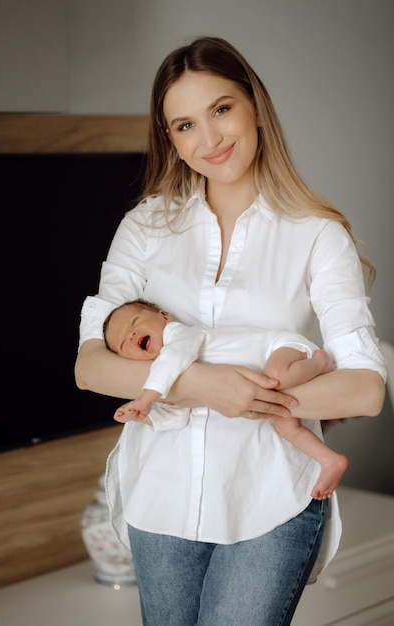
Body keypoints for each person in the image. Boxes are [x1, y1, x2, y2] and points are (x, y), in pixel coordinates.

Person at [75, 36, 386, 626]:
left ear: (254, 106)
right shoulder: (144, 227)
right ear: (170, 137)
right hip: (158, 496)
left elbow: (365, 388)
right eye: (185, 124)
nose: (210, 139)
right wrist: (198, 385)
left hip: (272, 497)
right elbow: (90, 367)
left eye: (221, 110)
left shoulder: (317, 234)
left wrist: (249, 399)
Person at [103, 299, 347, 501]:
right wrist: (146, 416)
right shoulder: (169, 376)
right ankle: (330, 460)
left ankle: (320, 362)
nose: (132, 333)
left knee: (277, 378)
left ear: (164, 317)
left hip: (279, 347)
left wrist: (145, 399)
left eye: (134, 323)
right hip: (266, 372)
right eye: (124, 343)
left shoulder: (178, 336)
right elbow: (178, 415)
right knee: (285, 424)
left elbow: (173, 358)